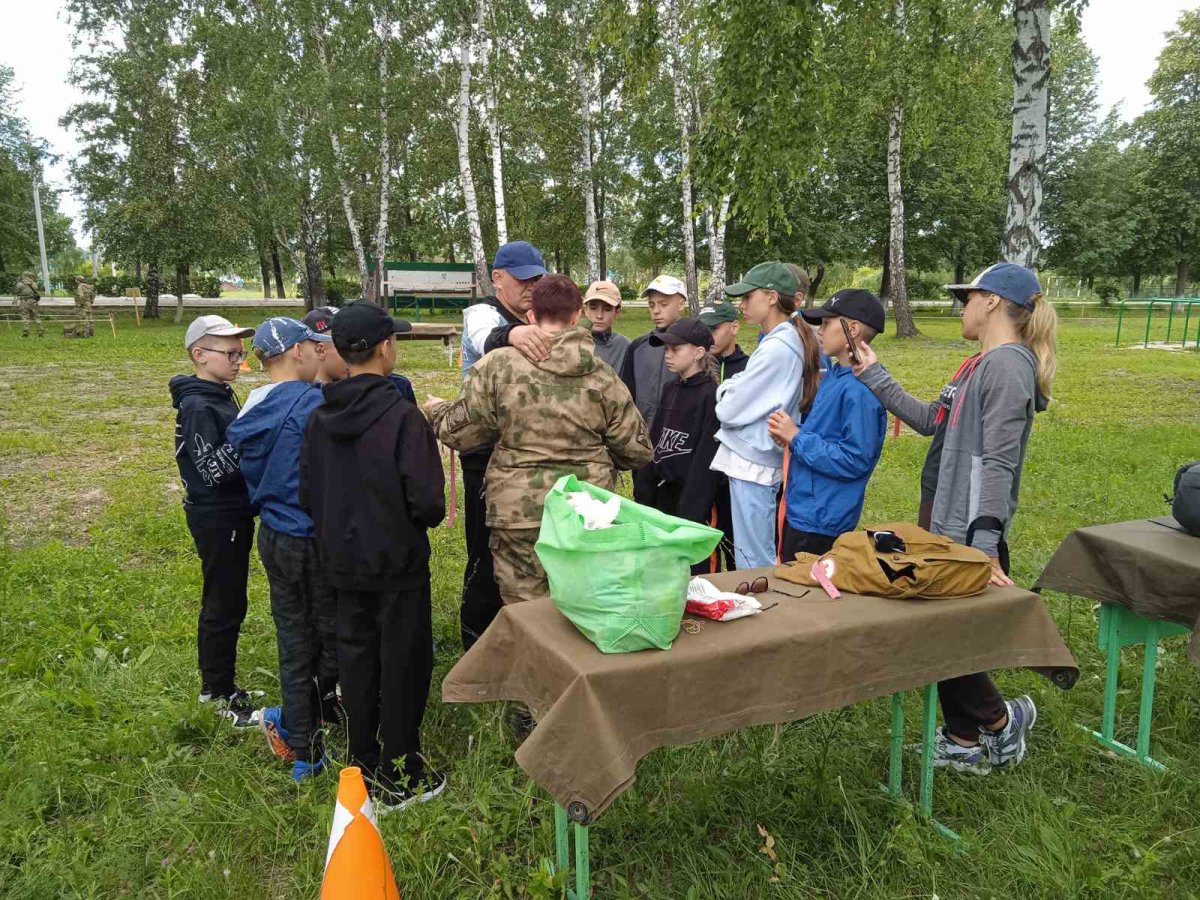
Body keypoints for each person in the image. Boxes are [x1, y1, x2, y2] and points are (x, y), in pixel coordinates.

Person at [853, 262, 1057, 774]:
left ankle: (1000, 721)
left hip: (969, 527)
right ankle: (965, 739)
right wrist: (873, 373)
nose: (959, 305)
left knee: (946, 635)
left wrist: (984, 542)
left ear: (991, 301)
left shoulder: (1008, 366)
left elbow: (999, 460)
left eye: (966, 296)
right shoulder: (977, 365)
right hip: (944, 515)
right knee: (945, 630)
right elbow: (928, 422)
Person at [425, 275, 653, 605]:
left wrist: (436, 411)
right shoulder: (604, 376)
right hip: (584, 511)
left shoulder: (498, 366)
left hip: (518, 515)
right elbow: (637, 450)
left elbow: (462, 432)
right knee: (584, 605)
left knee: (526, 614)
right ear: (577, 315)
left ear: (531, 315)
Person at [300, 300, 447, 810]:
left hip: (341, 566)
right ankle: (400, 772)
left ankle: (360, 760)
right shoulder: (404, 419)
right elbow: (428, 503)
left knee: (357, 661)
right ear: (386, 347)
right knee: (403, 663)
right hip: (398, 567)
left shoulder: (319, 418)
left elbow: (307, 494)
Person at [225, 317, 338, 781]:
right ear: (296, 352)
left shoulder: (252, 405)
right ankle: (310, 717)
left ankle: (301, 745)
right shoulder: (314, 404)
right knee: (332, 634)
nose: (318, 355)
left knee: (293, 636)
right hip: (313, 536)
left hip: (273, 535)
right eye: (314, 347)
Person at [455, 240, 547, 650]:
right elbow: (484, 337)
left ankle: (515, 634)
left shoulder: (534, 317)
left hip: (523, 454)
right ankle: (476, 643)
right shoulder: (483, 311)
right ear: (497, 277)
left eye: (537, 279)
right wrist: (516, 332)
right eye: (522, 279)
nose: (531, 286)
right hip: (483, 452)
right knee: (484, 549)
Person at [169, 315, 259, 726]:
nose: (238, 360)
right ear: (199, 355)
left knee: (233, 599)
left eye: (241, 353)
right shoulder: (198, 405)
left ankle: (223, 684)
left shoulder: (219, 393)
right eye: (230, 353)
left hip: (235, 512)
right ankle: (216, 693)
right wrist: (251, 428)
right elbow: (212, 470)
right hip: (217, 517)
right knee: (223, 602)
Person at [711, 262, 820, 569]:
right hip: (755, 459)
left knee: (754, 557)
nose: (741, 304)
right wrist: (734, 387)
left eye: (748, 297)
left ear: (771, 297)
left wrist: (726, 389)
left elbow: (727, 410)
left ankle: (766, 612)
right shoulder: (782, 339)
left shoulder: (778, 347)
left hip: (753, 463)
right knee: (753, 551)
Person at [767, 289, 888, 559]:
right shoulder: (836, 375)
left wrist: (797, 437)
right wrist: (791, 438)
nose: (818, 330)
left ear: (852, 329)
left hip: (822, 519)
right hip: (805, 508)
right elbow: (825, 434)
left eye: (826, 323)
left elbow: (855, 459)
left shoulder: (860, 389)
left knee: (805, 595)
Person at [633, 318, 725, 572]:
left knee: (693, 567)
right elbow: (656, 439)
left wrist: (693, 508)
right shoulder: (670, 388)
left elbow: (707, 457)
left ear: (698, 352)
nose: (668, 356)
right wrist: (645, 484)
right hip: (663, 494)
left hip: (691, 500)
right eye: (666, 350)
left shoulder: (711, 395)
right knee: (662, 564)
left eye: (675, 349)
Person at [302, 305, 417, 401]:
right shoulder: (306, 402)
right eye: (342, 343)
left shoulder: (398, 385)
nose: (353, 350)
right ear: (320, 350)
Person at [620, 275, 688, 426]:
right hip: (643, 435)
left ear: (681, 304)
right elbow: (626, 395)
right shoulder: (638, 347)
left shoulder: (694, 347)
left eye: (663, 304)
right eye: (651, 305)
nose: (656, 311)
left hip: (680, 435)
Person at [583, 280, 630, 372]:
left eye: (607, 309)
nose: (599, 316)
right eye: (593, 308)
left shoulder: (626, 347)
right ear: (585, 310)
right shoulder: (570, 342)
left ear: (617, 312)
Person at [699, 302, 749, 382]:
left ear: (734, 327)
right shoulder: (694, 367)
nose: (707, 335)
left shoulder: (750, 368)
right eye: (703, 329)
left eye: (713, 328)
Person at [15, 271, 44, 338]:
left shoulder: (20, 284)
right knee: (36, 316)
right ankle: (40, 332)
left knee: (25, 317)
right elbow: (36, 290)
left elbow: (16, 292)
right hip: (33, 302)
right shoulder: (34, 283)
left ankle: (26, 333)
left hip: (24, 301)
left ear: (24, 276)